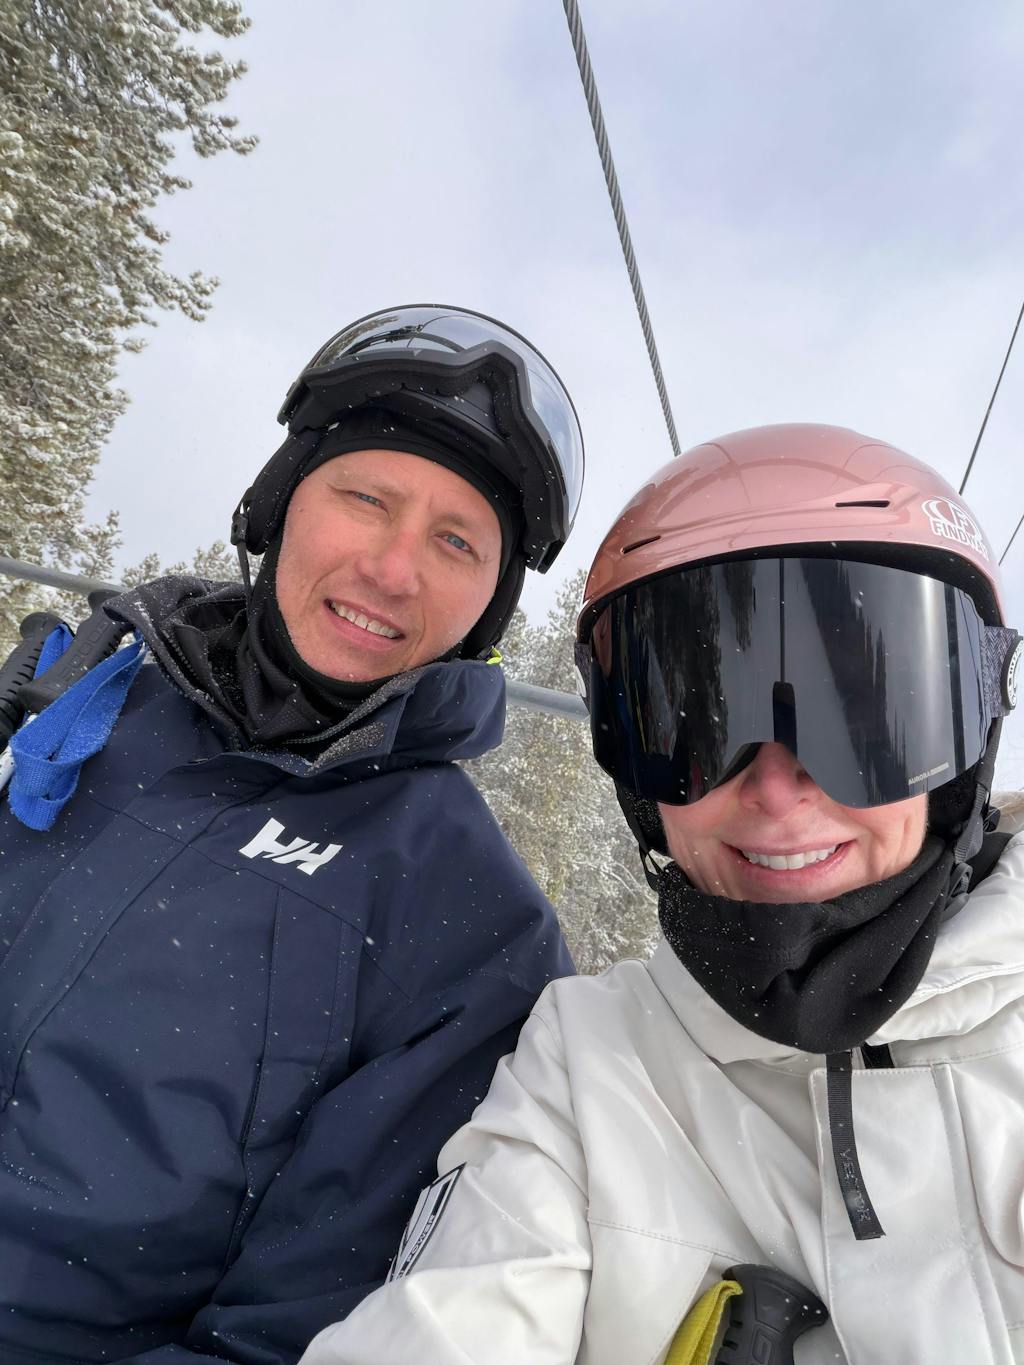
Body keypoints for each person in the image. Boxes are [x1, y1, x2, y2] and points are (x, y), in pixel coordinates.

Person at [299, 423, 1024, 1365]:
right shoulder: (591, 1061)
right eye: (699, 723)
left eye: (864, 720)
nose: (775, 791)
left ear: (964, 743)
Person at [0, 306, 582, 1364]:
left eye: (456, 541)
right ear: (278, 504)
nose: (393, 570)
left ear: (489, 608)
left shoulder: (469, 926)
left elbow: (285, 1337)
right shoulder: (87, 699)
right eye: (367, 499)